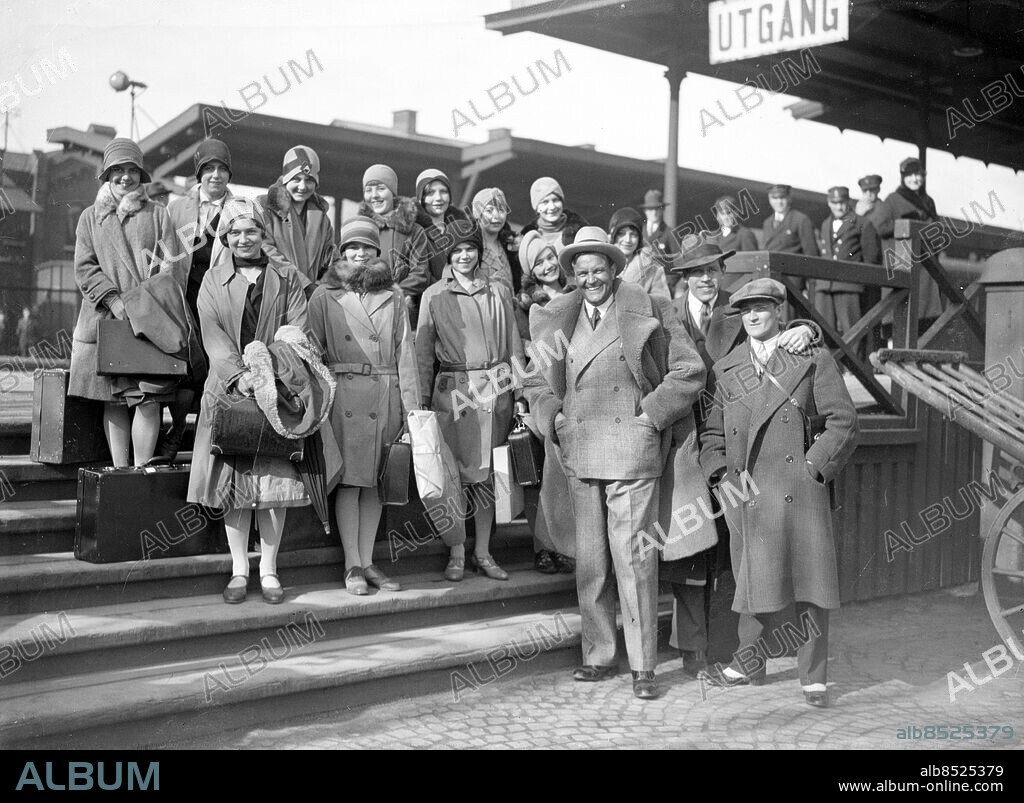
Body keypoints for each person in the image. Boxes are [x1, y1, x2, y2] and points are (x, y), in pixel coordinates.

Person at [522, 226, 706, 700]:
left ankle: (643, 666)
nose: (590, 279)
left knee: (634, 559)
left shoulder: (651, 306)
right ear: (572, 276)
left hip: (633, 449)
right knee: (592, 562)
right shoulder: (556, 317)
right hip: (579, 450)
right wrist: (555, 418)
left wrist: (650, 416)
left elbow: (689, 371)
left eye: (598, 269)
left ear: (613, 268)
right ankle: (598, 654)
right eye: (581, 272)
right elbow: (534, 383)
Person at [698, 278, 858, 708]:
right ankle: (747, 662)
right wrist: (720, 478)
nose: (752, 316)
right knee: (753, 577)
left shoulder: (810, 357)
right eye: (745, 309)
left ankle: (814, 676)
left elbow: (843, 420)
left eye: (762, 308)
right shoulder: (727, 368)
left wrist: (813, 468)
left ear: (779, 311)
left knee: (810, 583)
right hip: (744, 490)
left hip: (797, 487)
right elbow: (713, 432)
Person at [666, 244, 819, 677]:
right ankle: (694, 648)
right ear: (683, 279)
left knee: (742, 550)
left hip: (742, 446)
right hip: (688, 446)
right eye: (695, 272)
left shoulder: (737, 310)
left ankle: (735, 650)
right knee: (693, 551)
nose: (705, 278)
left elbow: (778, 331)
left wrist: (808, 328)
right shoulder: (668, 314)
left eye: (712, 270)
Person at [187, 198, 313, 605]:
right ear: (225, 237)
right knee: (233, 484)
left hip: (277, 389)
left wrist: (268, 373)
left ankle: (270, 569)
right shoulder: (212, 280)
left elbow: (296, 330)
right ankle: (240, 570)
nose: (244, 239)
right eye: (235, 232)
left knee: (274, 484)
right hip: (229, 390)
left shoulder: (287, 276)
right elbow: (212, 333)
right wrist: (240, 377)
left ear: (263, 234)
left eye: (252, 231)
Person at [308, 217, 421, 596]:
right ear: (342, 252)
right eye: (352, 247)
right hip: (344, 396)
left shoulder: (395, 295)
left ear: (378, 252)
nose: (359, 253)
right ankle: (351, 565)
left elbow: (406, 352)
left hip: (385, 391)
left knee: (375, 481)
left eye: (367, 248)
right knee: (351, 482)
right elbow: (312, 350)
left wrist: (411, 407)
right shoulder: (324, 295)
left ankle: (369, 561)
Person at [416, 221, 525, 583]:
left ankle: (483, 550)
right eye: (457, 250)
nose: (464, 256)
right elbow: (421, 353)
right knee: (455, 476)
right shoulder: (433, 295)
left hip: (495, 391)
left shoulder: (498, 291)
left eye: (470, 249)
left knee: (488, 476)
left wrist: (521, 393)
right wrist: (419, 401)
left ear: (480, 253)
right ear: (447, 255)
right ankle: (457, 551)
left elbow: (513, 345)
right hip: (453, 392)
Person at [69, 137, 181, 467]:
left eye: (132, 170)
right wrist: (114, 300)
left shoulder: (158, 214)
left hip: (148, 320)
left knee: (148, 398)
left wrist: (144, 306)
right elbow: (84, 267)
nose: (125, 177)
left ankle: (142, 469)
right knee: (113, 399)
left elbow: (169, 265)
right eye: (117, 170)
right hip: (105, 319)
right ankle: (120, 470)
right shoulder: (90, 218)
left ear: (141, 176)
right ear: (106, 176)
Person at [162, 139, 236, 460]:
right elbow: (163, 256)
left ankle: (213, 439)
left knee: (219, 367)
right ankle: (177, 430)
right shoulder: (177, 208)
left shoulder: (242, 208)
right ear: (199, 174)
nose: (215, 176)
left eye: (221, 169)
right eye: (208, 169)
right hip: (186, 300)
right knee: (186, 369)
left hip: (222, 303)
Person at [514, 230, 575, 575]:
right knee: (538, 474)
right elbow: (519, 355)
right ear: (530, 270)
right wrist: (523, 398)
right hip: (538, 392)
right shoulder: (525, 305)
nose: (549, 265)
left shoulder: (576, 294)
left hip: (573, 393)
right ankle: (543, 547)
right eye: (540, 261)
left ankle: (565, 544)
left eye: (551, 257)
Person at [358, 164, 431, 325]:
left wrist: (391, 295)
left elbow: (420, 274)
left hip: (401, 310)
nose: (374, 195)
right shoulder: (359, 229)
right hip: (363, 311)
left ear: (393, 192)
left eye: (380, 188)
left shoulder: (414, 230)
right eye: (368, 190)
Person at [257, 145, 337, 290]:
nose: (302, 186)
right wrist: (305, 286)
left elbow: (330, 259)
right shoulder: (265, 207)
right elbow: (265, 250)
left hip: (311, 300)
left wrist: (320, 288)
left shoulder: (323, 220)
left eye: (309, 180)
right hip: (276, 294)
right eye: (296, 179)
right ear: (286, 179)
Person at [883, 157, 943, 331]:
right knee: (899, 315)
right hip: (902, 263)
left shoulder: (928, 201)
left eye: (918, 175)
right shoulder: (892, 199)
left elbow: (937, 229)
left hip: (926, 266)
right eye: (910, 175)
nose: (915, 179)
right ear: (903, 177)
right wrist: (906, 225)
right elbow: (882, 227)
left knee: (925, 318)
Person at [814, 186, 880, 339]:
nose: (838, 206)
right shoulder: (825, 224)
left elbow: (871, 259)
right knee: (823, 333)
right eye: (834, 202)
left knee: (852, 333)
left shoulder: (862, 223)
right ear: (829, 203)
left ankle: (852, 364)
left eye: (842, 202)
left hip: (849, 286)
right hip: (825, 286)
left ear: (848, 202)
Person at [414, 168, 470, 283]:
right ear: (420, 198)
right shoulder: (413, 231)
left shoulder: (464, 231)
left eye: (443, 191)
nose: (438, 198)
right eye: (430, 192)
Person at [607, 207, 671, 299]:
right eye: (621, 233)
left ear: (640, 238)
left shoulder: (654, 269)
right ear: (613, 235)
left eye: (633, 235)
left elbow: (663, 304)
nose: (628, 240)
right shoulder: (600, 262)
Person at [519, 176, 587, 251]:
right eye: (545, 202)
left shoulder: (581, 231)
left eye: (555, 200)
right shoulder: (525, 238)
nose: (552, 207)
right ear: (536, 208)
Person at [470, 187, 518, 292]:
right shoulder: (471, 247)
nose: (496, 216)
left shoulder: (509, 246)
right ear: (478, 214)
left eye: (501, 210)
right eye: (489, 210)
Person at [639, 189, 681, 279]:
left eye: (657, 209)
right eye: (650, 209)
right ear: (645, 210)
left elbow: (678, 261)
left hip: (663, 280)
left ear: (663, 210)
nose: (654, 213)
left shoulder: (670, 233)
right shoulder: (638, 231)